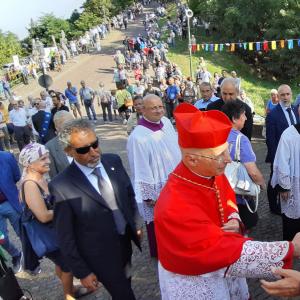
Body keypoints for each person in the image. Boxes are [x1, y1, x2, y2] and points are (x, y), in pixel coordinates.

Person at [154, 103, 300, 299]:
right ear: (192, 160)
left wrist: (233, 218)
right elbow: (219, 252)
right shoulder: (172, 206)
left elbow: (227, 196)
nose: (229, 159)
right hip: (197, 282)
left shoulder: (212, 172)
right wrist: (288, 249)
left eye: (226, 150)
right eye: (219, 154)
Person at [49, 119, 142, 300]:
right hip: (99, 255)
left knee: (125, 283)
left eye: (95, 144)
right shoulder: (61, 185)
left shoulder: (113, 161)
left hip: (124, 242)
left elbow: (128, 195)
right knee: (124, 294)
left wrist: (136, 223)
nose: (93, 152)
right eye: (84, 149)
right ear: (69, 151)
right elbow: (65, 235)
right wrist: (82, 272)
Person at [19, 143, 89, 299]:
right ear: (30, 163)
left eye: (47, 157)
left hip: (55, 231)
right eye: (42, 158)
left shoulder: (40, 178)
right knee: (68, 265)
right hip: (48, 235)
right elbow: (43, 216)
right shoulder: (30, 184)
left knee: (62, 264)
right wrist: (68, 206)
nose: (48, 161)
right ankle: (69, 295)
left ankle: (71, 288)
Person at [127, 95, 181, 257]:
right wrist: (150, 196)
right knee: (160, 227)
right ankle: (164, 257)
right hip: (158, 190)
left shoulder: (166, 123)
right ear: (143, 109)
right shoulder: (138, 137)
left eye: (160, 106)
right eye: (153, 108)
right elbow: (140, 167)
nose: (158, 110)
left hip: (176, 182)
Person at [222, 101, 265, 230]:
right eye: (244, 115)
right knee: (244, 227)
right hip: (239, 197)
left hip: (220, 194)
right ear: (235, 118)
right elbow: (253, 172)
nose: (246, 118)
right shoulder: (242, 139)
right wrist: (261, 183)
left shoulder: (217, 134)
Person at [265, 84, 299, 215]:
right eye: (282, 95)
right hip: (279, 155)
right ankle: (273, 206)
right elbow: (270, 140)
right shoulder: (273, 115)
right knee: (274, 179)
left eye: (287, 94)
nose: (285, 97)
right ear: (278, 97)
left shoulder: (297, 110)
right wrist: (275, 160)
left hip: (295, 155)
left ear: (291, 95)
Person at [271, 123, 300, 240]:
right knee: (291, 225)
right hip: (294, 187)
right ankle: (291, 249)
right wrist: (284, 186)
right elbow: (282, 162)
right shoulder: (289, 134)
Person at [0, 150, 23, 273]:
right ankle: (16, 254)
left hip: (10, 202)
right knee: (1, 238)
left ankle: (31, 257)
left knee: (22, 232)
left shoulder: (6, 157)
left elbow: (17, 176)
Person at [45, 111, 74, 179]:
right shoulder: (50, 147)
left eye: (73, 122)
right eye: (67, 124)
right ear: (57, 127)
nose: (72, 126)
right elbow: (54, 177)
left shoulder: (85, 138)